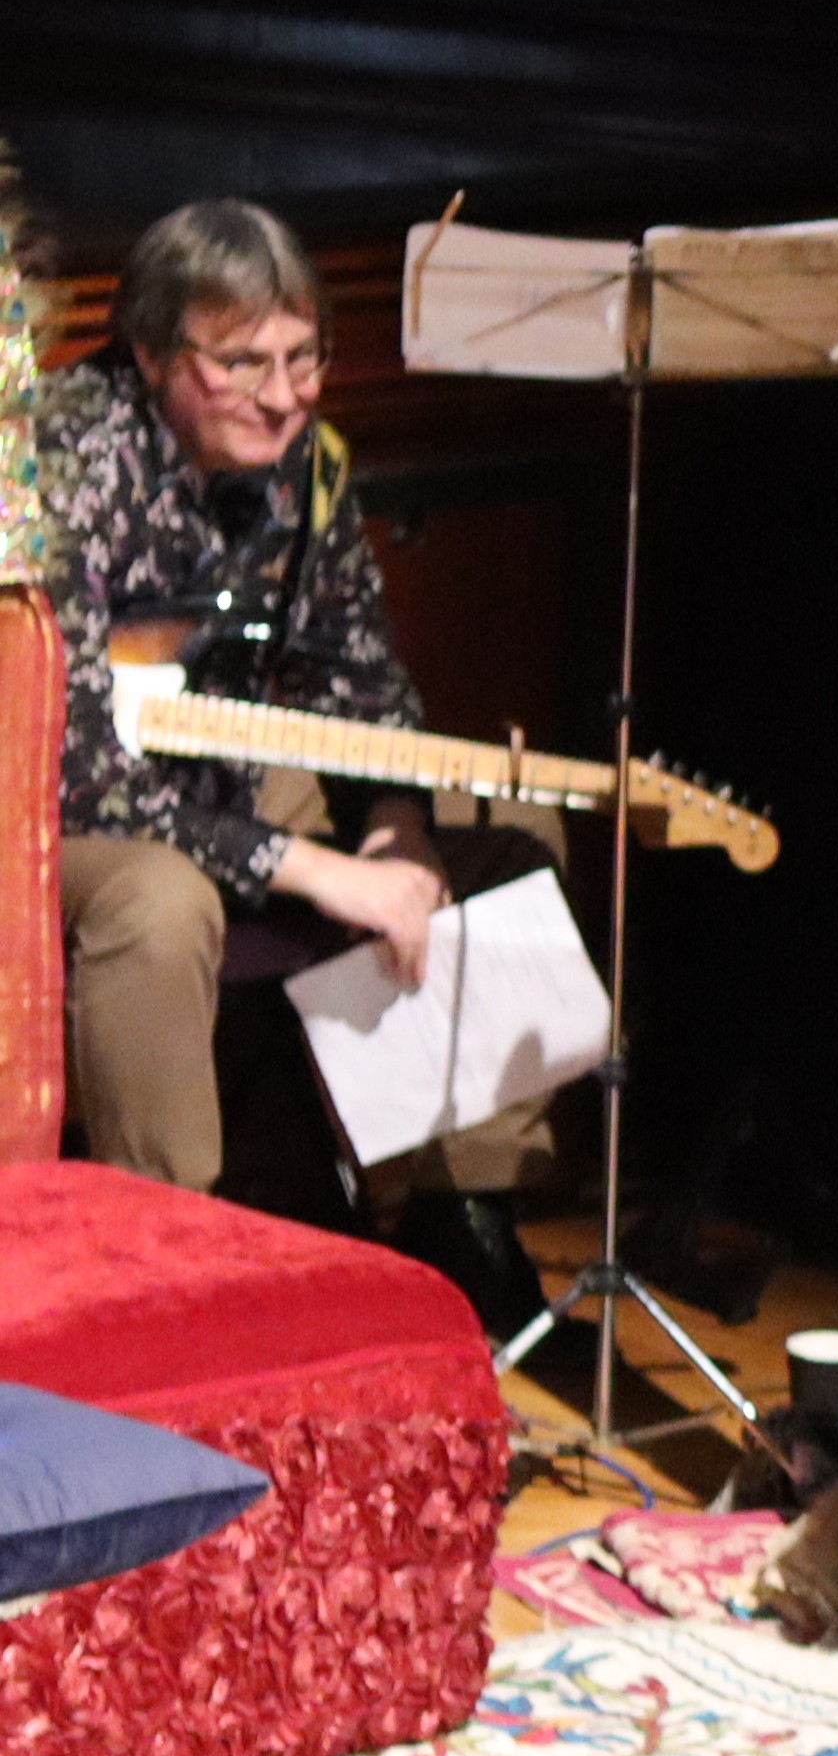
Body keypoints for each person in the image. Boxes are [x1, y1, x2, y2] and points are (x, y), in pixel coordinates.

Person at [39, 201, 535, 1261]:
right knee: (162, 904)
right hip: (57, 817)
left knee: (505, 850)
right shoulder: (66, 462)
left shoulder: (309, 464)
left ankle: (445, 1220)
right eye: (242, 363)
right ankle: (170, 1261)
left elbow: (356, 680)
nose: (284, 394)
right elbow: (83, 774)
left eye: (304, 355)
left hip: (221, 784)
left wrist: (397, 826)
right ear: (151, 353)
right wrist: (311, 867)